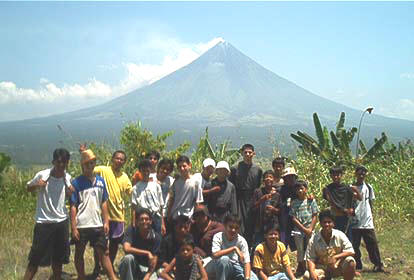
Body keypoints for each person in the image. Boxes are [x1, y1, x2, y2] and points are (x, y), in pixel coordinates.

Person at [79, 144, 133, 274]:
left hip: (118, 215)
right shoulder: (103, 170)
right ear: (112, 159)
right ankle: (97, 267)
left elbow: (131, 192)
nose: (119, 161)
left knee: (114, 244)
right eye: (117, 158)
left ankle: (107, 268)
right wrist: (84, 153)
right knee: (100, 245)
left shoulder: (124, 177)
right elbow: (87, 168)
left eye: (122, 159)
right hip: (102, 216)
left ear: (124, 162)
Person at [23, 148, 73, 280]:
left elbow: (68, 195)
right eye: (59, 162)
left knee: (58, 258)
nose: (61, 166)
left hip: (61, 222)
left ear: (67, 163)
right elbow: (28, 187)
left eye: (64, 163)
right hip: (44, 222)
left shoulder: (67, 178)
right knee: (35, 258)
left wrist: (71, 191)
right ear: (53, 161)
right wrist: (37, 185)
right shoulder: (42, 175)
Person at [70, 148, 117, 280]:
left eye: (92, 163)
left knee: (104, 252)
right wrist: (73, 227)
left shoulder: (101, 181)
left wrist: (106, 221)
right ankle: (81, 276)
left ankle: (112, 277)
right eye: (87, 164)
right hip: (82, 223)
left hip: (97, 223)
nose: (90, 166)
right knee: (79, 252)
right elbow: (73, 206)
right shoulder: (76, 183)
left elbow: (104, 202)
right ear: (82, 165)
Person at [304, 210, 356, 280]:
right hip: (322, 268)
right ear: (320, 223)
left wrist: (335, 257)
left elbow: (351, 251)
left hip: (337, 266)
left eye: (329, 222)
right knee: (307, 276)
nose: (327, 224)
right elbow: (310, 259)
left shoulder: (340, 235)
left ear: (333, 224)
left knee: (350, 261)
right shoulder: (314, 239)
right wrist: (312, 272)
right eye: (324, 222)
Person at [350, 165, 384, 272]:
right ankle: (358, 265)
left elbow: (370, 203)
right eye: (359, 173)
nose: (361, 176)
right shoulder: (350, 188)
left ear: (365, 175)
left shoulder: (369, 187)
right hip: (354, 221)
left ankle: (378, 264)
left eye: (363, 174)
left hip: (367, 220)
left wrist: (371, 215)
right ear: (355, 174)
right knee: (354, 245)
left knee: (372, 244)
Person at [229, 144, 263, 244]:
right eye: (245, 152)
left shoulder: (258, 170)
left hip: (252, 198)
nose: (248, 154)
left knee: (251, 224)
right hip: (239, 198)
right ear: (242, 153)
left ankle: (250, 247)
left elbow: (258, 186)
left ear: (253, 154)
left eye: (250, 152)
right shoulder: (235, 169)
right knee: (239, 223)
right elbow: (232, 185)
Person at [211, 214, 258, 280]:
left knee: (254, 278)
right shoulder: (218, 236)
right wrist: (234, 248)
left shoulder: (242, 240)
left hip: (237, 266)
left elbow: (247, 262)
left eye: (236, 228)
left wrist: (247, 278)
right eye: (231, 227)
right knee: (224, 259)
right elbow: (215, 254)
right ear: (224, 225)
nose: (233, 230)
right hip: (221, 267)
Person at [119, 208, 161, 280]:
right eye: (141, 219)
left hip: (147, 269)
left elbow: (154, 261)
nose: (144, 221)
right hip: (134, 266)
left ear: (150, 221)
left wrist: (147, 276)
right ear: (137, 221)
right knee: (128, 258)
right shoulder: (131, 230)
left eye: (147, 219)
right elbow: (126, 248)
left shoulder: (156, 237)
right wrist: (147, 253)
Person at [289, 180, 319, 276]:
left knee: (310, 248)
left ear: (306, 189)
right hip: (299, 229)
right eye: (298, 189)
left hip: (310, 228)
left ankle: (311, 268)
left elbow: (315, 215)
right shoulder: (294, 203)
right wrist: (303, 229)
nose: (300, 191)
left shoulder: (311, 201)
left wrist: (310, 229)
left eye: (302, 188)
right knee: (300, 249)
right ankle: (302, 268)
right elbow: (293, 218)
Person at [322, 166, 361, 235]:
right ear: (330, 176)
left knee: (346, 240)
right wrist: (345, 210)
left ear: (341, 175)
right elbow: (332, 203)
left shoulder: (346, 188)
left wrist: (356, 190)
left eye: (337, 175)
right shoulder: (328, 189)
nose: (336, 177)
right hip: (334, 218)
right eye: (333, 175)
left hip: (346, 218)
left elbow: (359, 198)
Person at [131, 159, 165, 235]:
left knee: (157, 240)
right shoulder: (136, 188)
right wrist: (133, 223)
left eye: (147, 170)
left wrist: (162, 223)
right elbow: (133, 207)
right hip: (143, 219)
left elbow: (161, 206)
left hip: (156, 217)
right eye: (143, 171)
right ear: (140, 171)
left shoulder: (156, 186)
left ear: (150, 170)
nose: (146, 173)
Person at [166, 155, 203, 224]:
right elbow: (172, 199)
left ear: (190, 165)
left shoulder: (195, 182)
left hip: (189, 217)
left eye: (184, 166)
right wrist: (169, 214)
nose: (182, 168)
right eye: (179, 167)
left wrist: (196, 217)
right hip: (175, 216)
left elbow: (197, 202)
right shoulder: (175, 182)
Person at [252, 170, 281, 247]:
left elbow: (280, 211)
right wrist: (262, 199)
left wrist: (273, 209)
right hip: (259, 226)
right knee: (257, 247)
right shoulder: (258, 192)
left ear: (274, 180)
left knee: (272, 247)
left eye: (271, 177)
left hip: (272, 226)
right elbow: (253, 208)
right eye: (266, 177)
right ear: (263, 180)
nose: (268, 179)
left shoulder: (277, 195)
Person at [278, 166, 298, 249]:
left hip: (297, 223)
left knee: (299, 247)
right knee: (283, 245)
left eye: (292, 177)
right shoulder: (280, 190)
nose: (290, 180)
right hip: (284, 223)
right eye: (287, 178)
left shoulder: (298, 190)